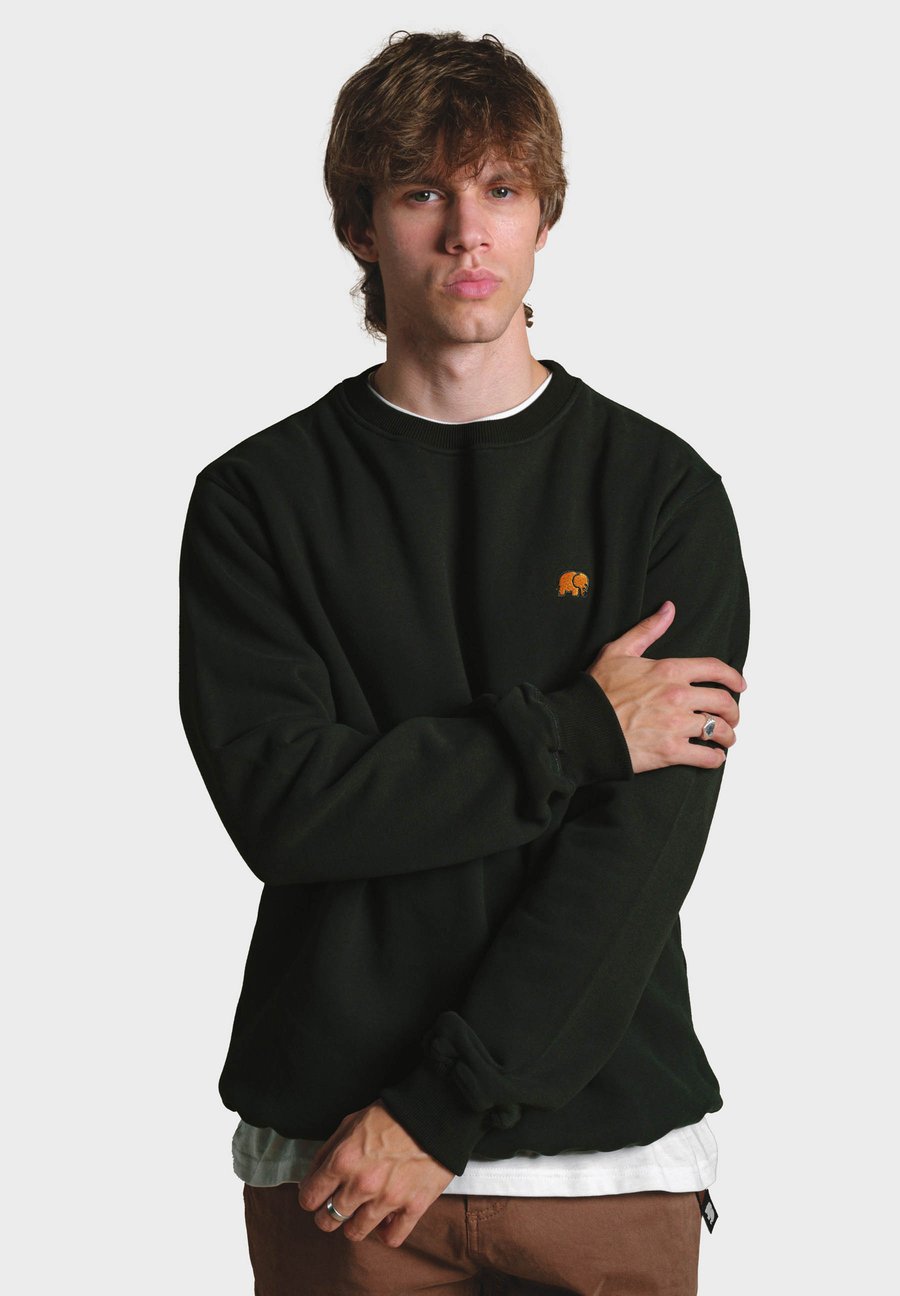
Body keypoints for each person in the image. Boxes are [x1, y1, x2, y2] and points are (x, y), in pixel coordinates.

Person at [178, 29, 750, 1296]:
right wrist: (578, 733)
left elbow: (637, 859)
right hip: (335, 1156)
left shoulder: (661, 495)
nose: (466, 231)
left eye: (500, 188)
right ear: (361, 225)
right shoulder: (256, 502)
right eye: (420, 191)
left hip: (603, 1161)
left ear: (545, 216)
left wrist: (443, 1110)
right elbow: (290, 812)